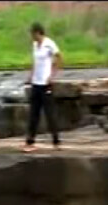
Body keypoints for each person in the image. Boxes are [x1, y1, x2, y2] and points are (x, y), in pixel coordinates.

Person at [23, 22, 62, 152]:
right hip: (36, 83)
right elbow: (35, 62)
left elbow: (59, 58)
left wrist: (52, 75)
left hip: (46, 84)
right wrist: (30, 76)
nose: (31, 37)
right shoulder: (34, 45)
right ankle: (30, 142)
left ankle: (56, 141)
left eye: (32, 34)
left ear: (38, 32)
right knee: (33, 113)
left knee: (49, 113)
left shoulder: (49, 43)